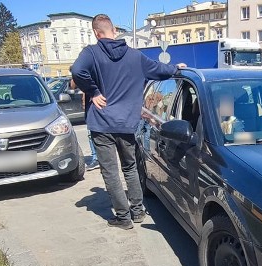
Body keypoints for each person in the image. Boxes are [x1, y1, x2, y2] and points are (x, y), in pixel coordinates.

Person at [71, 14, 185, 230]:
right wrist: (176, 68)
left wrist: (93, 91)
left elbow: (77, 71)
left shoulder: (91, 53)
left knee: (110, 172)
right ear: (114, 30)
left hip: (101, 123)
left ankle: (123, 218)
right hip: (126, 123)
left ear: (97, 33)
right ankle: (138, 211)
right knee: (130, 167)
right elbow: (159, 70)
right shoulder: (135, 56)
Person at [69, 78, 99, 170]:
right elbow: (72, 86)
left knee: (96, 134)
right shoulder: (84, 72)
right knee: (91, 134)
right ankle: (96, 158)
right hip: (89, 108)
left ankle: (97, 159)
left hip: (97, 106)